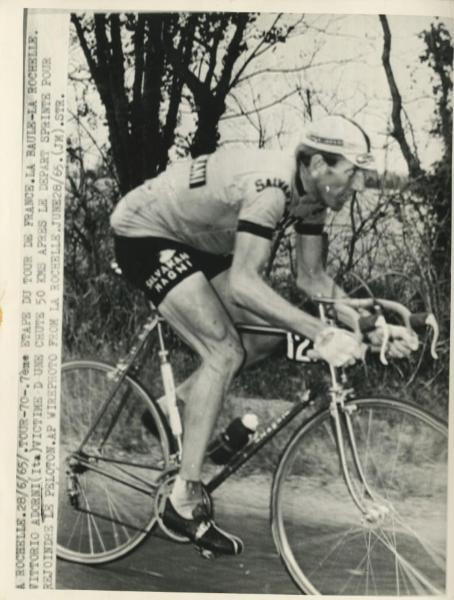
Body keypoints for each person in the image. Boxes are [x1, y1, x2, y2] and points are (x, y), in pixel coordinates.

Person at [110, 115, 418, 556]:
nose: (359, 186)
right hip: (145, 231)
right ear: (316, 164)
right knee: (223, 350)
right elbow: (244, 284)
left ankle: (169, 411)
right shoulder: (271, 188)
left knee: (268, 337)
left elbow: (312, 278)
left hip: (198, 239)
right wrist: (320, 332)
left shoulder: (312, 198)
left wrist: (367, 323)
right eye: (351, 172)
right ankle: (183, 499)